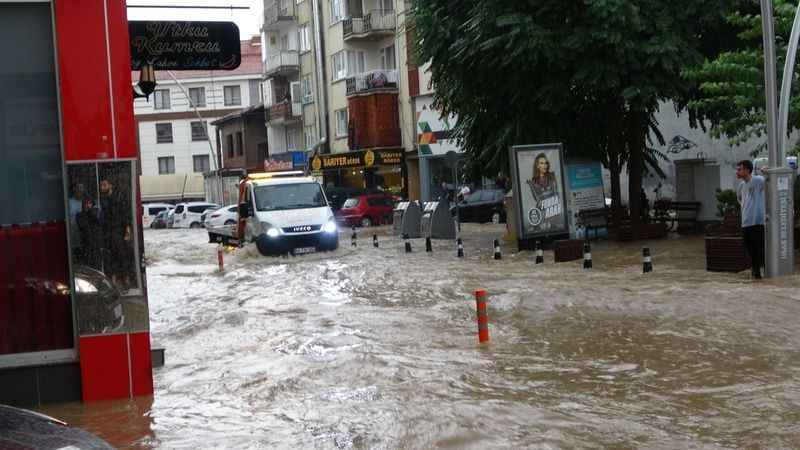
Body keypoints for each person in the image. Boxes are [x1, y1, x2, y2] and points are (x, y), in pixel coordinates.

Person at [99, 176, 134, 288]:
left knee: (121, 254)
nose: (102, 187)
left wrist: (127, 229)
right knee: (112, 255)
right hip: (109, 231)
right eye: (101, 185)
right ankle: (115, 279)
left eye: (104, 185)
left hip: (118, 230)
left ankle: (125, 278)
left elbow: (124, 214)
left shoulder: (118, 197)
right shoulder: (102, 199)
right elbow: (103, 217)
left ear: (110, 185)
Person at [735, 160, 765, 279]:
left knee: (757, 250)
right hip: (745, 223)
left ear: (747, 170)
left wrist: (766, 172)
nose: (737, 172)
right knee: (750, 250)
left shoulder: (757, 180)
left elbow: (769, 182)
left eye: (739, 169)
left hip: (757, 222)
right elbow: (739, 198)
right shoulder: (741, 185)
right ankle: (755, 274)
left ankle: (758, 275)